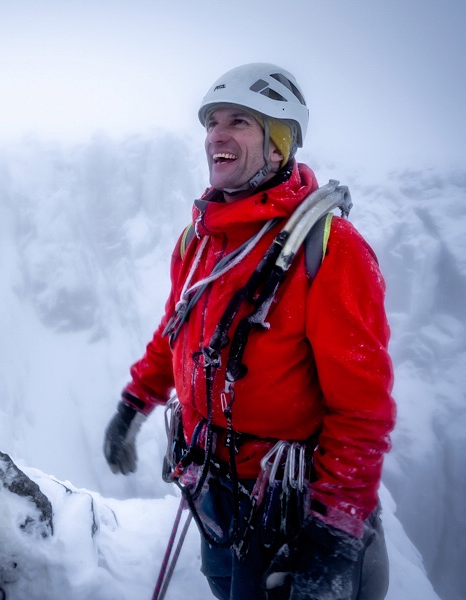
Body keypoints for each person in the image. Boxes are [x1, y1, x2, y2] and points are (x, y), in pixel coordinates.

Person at [103, 63, 395, 600]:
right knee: (223, 583)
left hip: (288, 503)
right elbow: (177, 332)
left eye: (239, 121)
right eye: (212, 122)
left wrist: (334, 532)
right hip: (213, 483)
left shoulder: (332, 250)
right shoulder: (199, 240)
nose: (217, 134)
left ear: (279, 144)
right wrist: (133, 404)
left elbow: (362, 410)